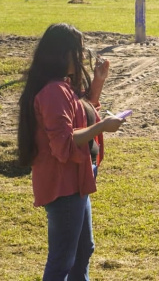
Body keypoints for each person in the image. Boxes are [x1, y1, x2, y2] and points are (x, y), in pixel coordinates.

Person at [16, 23, 125, 280]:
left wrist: (98, 82)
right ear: (63, 54)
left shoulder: (62, 86)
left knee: (82, 249)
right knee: (63, 259)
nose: (84, 54)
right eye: (79, 49)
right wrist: (102, 126)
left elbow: (82, 113)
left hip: (76, 181)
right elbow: (63, 142)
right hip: (63, 185)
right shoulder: (53, 91)